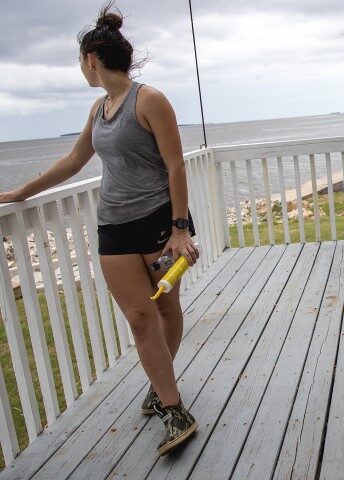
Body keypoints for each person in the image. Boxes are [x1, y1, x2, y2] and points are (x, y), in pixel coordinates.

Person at [0, 4, 199, 455]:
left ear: (92, 58)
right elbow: (74, 161)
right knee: (138, 316)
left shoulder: (149, 100)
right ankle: (173, 407)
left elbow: (175, 165)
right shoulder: (100, 108)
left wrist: (179, 229)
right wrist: (20, 191)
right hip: (113, 226)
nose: (80, 68)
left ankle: (160, 387)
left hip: (157, 223)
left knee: (166, 309)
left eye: (79, 61)